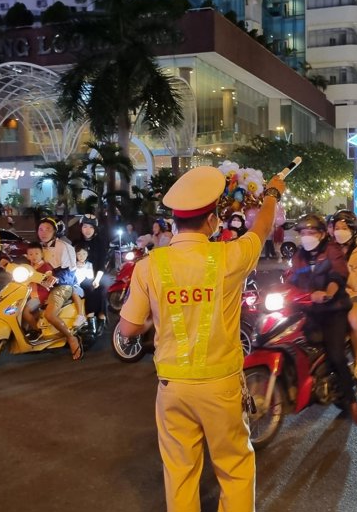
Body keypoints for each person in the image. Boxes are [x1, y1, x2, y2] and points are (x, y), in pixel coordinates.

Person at [118, 165, 286, 512]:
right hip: (220, 386)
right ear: (212, 221)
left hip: (172, 387)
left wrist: (153, 315)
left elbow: (129, 329)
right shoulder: (228, 256)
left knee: (180, 471)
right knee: (235, 468)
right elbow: (262, 228)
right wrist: (272, 193)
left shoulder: (150, 265)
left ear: (175, 222)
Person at [285, 214, 357, 426]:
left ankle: (353, 400)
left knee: (336, 354)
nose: (306, 237)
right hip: (308, 310)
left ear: (321, 234)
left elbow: (337, 275)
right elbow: (292, 277)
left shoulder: (332, 250)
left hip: (333, 310)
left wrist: (328, 292)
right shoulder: (299, 255)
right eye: (303, 233)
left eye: (311, 233)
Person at [332, 210, 357, 380]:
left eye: (344, 228)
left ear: (352, 230)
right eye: (336, 227)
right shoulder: (328, 248)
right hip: (331, 293)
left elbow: (356, 283)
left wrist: (343, 267)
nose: (339, 231)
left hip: (355, 294)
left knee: (354, 317)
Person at [35, 217, 82, 359]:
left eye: (48, 229)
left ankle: (71, 338)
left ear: (55, 231)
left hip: (62, 285)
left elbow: (69, 273)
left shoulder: (64, 247)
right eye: (41, 229)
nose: (43, 232)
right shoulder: (37, 247)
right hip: (39, 284)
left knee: (49, 314)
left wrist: (56, 279)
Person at [77, 214, 109, 331]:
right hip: (81, 275)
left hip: (98, 274)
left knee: (102, 288)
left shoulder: (100, 243)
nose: (88, 230)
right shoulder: (76, 243)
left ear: (95, 229)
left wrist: (97, 279)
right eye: (85, 226)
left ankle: (102, 316)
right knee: (89, 287)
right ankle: (91, 318)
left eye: (91, 227)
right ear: (81, 228)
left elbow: (102, 264)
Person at [21, 244, 55, 334]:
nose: (34, 256)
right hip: (30, 295)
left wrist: (45, 279)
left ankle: (36, 330)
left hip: (41, 296)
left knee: (25, 312)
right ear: (27, 256)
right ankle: (26, 329)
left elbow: (48, 279)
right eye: (31, 254)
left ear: (42, 255)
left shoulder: (46, 266)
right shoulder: (28, 267)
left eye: (36, 253)